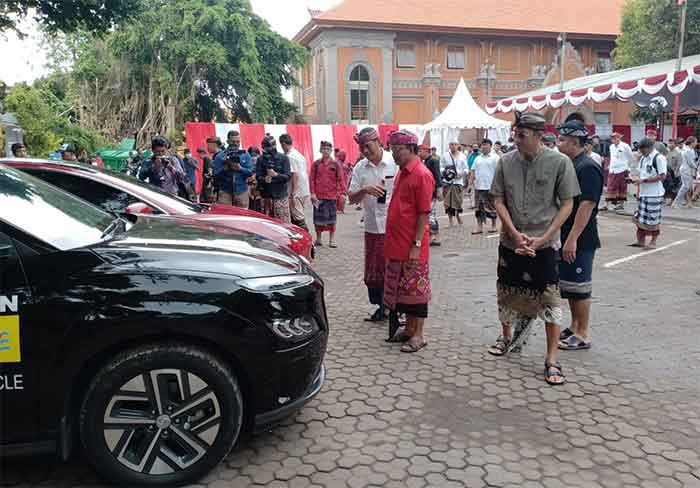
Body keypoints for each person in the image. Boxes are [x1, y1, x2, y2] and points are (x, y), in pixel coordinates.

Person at [487, 111, 580, 386]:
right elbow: (498, 199)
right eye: (515, 134)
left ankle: (552, 359)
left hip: (545, 244)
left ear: (539, 137)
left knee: (550, 299)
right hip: (510, 242)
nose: (516, 139)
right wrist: (514, 234)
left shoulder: (559, 162)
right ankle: (506, 338)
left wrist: (545, 238)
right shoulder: (505, 161)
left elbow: (567, 204)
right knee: (505, 292)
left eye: (522, 135)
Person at [384, 130, 434, 353]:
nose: (394, 155)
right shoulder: (402, 172)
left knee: (417, 292)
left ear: (411, 149)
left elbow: (424, 213)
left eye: (398, 150)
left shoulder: (421, 174)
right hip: (397, 243)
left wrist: (416, 245)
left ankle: (419, 334)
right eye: (393, 150)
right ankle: (408, 330)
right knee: (404, 292)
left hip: (412, 245)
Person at [556, 119, 604, 351]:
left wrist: (572, 239)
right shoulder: (574, 164)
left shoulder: (588, 167)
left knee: (581, 287)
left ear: (574, 142)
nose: (558, 143)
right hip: (568, 236)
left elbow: (587, 205)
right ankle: (574, 325)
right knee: (571, 286)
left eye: (562, 140)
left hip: (581, 238)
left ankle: (583, 332)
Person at [348, 127, 398, 323]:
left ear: (378, 142)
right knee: (374, 272)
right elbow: (351, 198)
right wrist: (365, 190)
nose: (365, 151)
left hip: (393, 227)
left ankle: (396, 308)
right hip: (371, 227)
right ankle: (381, 307)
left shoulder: (395, 163)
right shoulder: (360, 168)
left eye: (367, 146)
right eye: (361, 148)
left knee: (394, 269)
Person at [629, 138, 667, 249]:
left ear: (650, 147)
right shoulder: (643, 159)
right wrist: (635, 179)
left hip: (654, 194)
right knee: (640, 218)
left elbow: (662, 176)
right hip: (643, 193)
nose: (641, 152)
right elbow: (641, 174)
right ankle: (640, 241)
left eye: (642, 149)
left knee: (653, 219)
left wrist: (644, 181)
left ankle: (653, 242)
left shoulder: (659, 158)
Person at [310, 141, 345, 247]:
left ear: (331, 151)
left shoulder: (336, 164)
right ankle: (319, 239)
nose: (326, 151)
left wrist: (342, 193)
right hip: (319, 197)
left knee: (332, 220)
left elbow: (341, 179)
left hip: (332, 196)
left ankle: (332, 240)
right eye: (324, 149)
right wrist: (312, 193)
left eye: (328, 149)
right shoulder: (316, 164)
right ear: (321, 150)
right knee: (317, 220)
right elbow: (312, 179)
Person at [256, 135, 292, 223]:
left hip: (280, 196)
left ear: (274, 146)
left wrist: (276, 175)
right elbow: (258, 176)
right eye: (265, 148)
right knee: (267, 224)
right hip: (266, 196)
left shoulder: (283, 158)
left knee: (283, 224)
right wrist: (264, 179)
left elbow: (287, 176)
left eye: (268, 147)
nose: (267, 150)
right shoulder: (261, 159)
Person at [214, 131, 253, 207]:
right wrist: (225, 169)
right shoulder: (220, 156)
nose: (236, 144)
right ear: (228, 141)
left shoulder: (245, 154)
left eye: (238, 142)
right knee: (226, 216)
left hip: (242, 191)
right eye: (233, 141)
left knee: (242, 216)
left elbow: (250, 172)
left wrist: (240, 169)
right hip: (225, 191)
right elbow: (215, 175)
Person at [280, 134, 310, 229]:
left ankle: (307, 239)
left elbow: (295, 175)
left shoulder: (290, 157)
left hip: (296, 190)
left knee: (298, 217)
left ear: (284, 144)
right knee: (297, 215)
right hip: (303, 189)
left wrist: (293, 193)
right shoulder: (298, 154)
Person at [472, 138, 499, 235]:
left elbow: (499, 173)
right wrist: (470, 184)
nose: (484, 147)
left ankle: (493, 226)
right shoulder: (477, 158)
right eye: (482, 145)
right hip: (479, 187)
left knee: (491, 207)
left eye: (486, 145)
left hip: (490, 186)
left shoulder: (495, 158)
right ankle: (479, 227)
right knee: (479, 208)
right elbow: (473, 171)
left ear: (490, 146)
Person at [419, 144, 443, 246]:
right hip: (427, 191)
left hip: (433, 191)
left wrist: (439, 189)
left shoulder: (433, 160)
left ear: (426, 151)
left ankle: (435, 237)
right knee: (429, 214)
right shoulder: (425, 161)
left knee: (432, 214)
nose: (419, 153)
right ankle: (431, 236)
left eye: (420, 151)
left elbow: (437, 175)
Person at [603, 132, 634, 211]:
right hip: (613, 169)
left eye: (616, 138)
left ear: (619, 138)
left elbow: (631, 157)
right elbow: (612, 157)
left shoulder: (625, 146)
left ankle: (621, 204)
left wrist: (627, 167)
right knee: (610, 187)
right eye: (613, 138)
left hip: (622, 169)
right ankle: (607, 204)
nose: (614, 139)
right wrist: (610, 165)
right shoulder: (611, 147)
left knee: (622, 187)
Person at [440, 141, 469, 226]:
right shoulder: (445, 155)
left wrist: (461, 173)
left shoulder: (462, 156)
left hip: (458, 182)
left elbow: (466, 169)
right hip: (448, 182)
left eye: (455, 144)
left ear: (458, 145)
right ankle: (450, 220)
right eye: (451, 144)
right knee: (448, 202)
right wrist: (446, 171)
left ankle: (457, 215)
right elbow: (440, 167)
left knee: (458, 201)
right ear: (449, 145)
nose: (453, 146)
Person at [672, 136, 698, 209]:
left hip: (686, 170)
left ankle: (688, 203)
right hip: (686, 170)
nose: (696, 143)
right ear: (692, 142)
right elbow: (690, 162)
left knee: (688, 187)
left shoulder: (688, 149)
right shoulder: (689, 150)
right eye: (695, 142)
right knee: (685, 187)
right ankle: (676, 202)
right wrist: (696, 167)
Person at [665, 138, 683, 204]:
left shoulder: (678, 153)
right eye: (669, 143)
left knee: (674, 187)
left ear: (675, 145)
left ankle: (673, 201)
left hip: (675, 173)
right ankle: (669, 200)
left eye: (671, 143)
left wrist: (676, 172)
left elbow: (679, 164)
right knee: (668, 187)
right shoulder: (667, 152)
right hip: (667, 173)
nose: (669, 145)